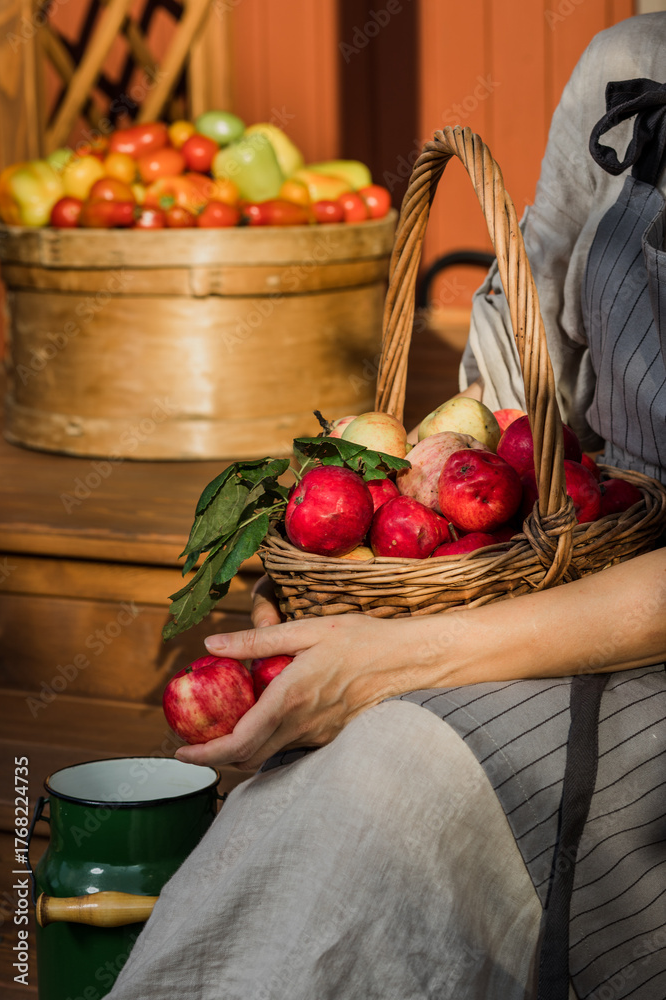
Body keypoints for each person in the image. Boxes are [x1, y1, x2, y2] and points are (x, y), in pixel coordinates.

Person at [108, 14, 666, 1000]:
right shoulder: (631, 63)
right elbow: (512, 382)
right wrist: (382, 582)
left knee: (396, 773)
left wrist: (401, 655)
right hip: (577, 545)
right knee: (315, 794)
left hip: (635, 637)